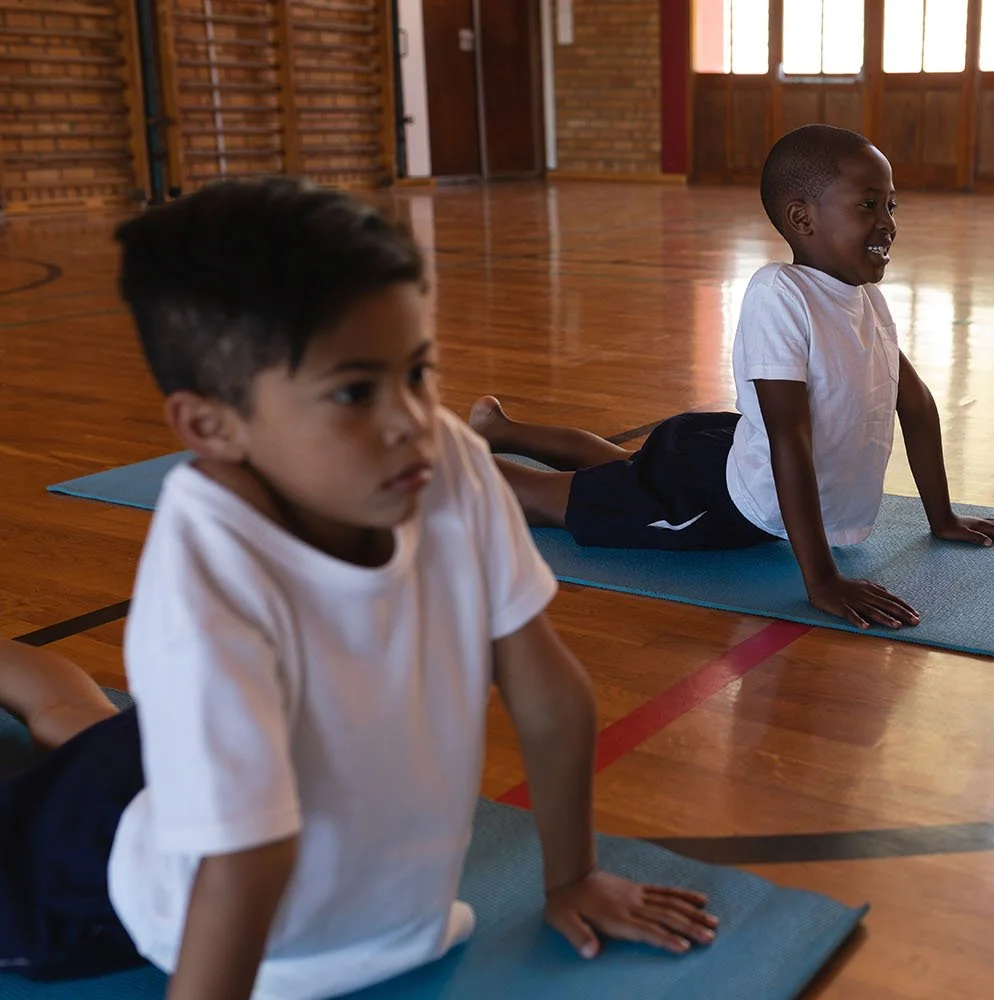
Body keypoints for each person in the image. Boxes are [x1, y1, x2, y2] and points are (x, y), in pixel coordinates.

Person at [0, 179, 715, 998]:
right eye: (353, 392)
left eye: (418, 371)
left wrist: (573, 877)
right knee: (81, 749)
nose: (410, 417)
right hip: (116, 875)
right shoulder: (207, 584)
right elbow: (238, 870)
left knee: (91, 729)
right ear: (210, 426)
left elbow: (548, 688)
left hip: (237, 756)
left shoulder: (444, 459)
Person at [471, 124, 994, 631]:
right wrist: (820, 582)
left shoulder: (866, 301)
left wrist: (942, 517)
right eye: (868, 205)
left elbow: (914, 406)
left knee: (626, 472)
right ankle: (453, 463)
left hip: (726, 450)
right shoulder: (779, 294)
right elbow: (788, 439)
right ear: (802, 218)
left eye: (892, 206)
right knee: (553, 502)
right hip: (723, 495)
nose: (888, 224)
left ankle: (501, 428)